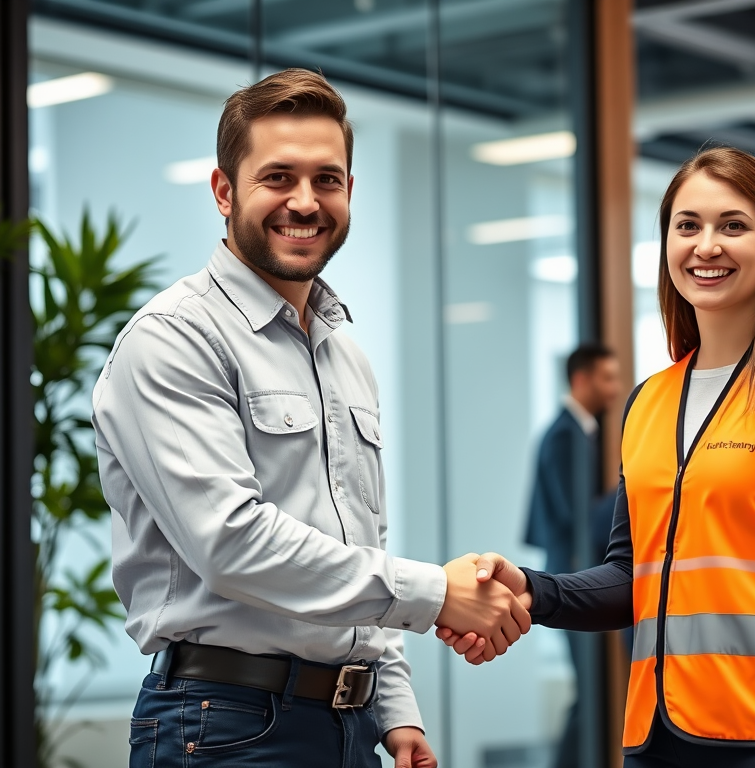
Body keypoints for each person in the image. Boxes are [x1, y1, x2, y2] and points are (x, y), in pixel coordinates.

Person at [92, 69, 529, 768]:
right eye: (278, 177)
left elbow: (357, 543)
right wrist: (440, 594)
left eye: (327, 179)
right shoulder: (173, 339)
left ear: (351, 190)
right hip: (224, 726)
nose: (305, 201)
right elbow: (231, 542)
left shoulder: (343, 354)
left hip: (346, 727)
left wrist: (393, 710)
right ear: (224, 191)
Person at [437, 147, 755, 768]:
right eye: (687, 226)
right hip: (659, 741)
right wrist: (531, 590)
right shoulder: (650, 401)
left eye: (732, 225)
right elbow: (634, 579)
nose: (705, 245)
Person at [524, 343, 622, 768]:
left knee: (592, 694)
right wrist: (631, 495)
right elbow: (574, 518)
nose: (615, 389)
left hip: (579, 576)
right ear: (581, 380)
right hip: (573, 579)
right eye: (607, 378)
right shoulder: (565, 435)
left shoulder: (580, 432)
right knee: (592, 696)